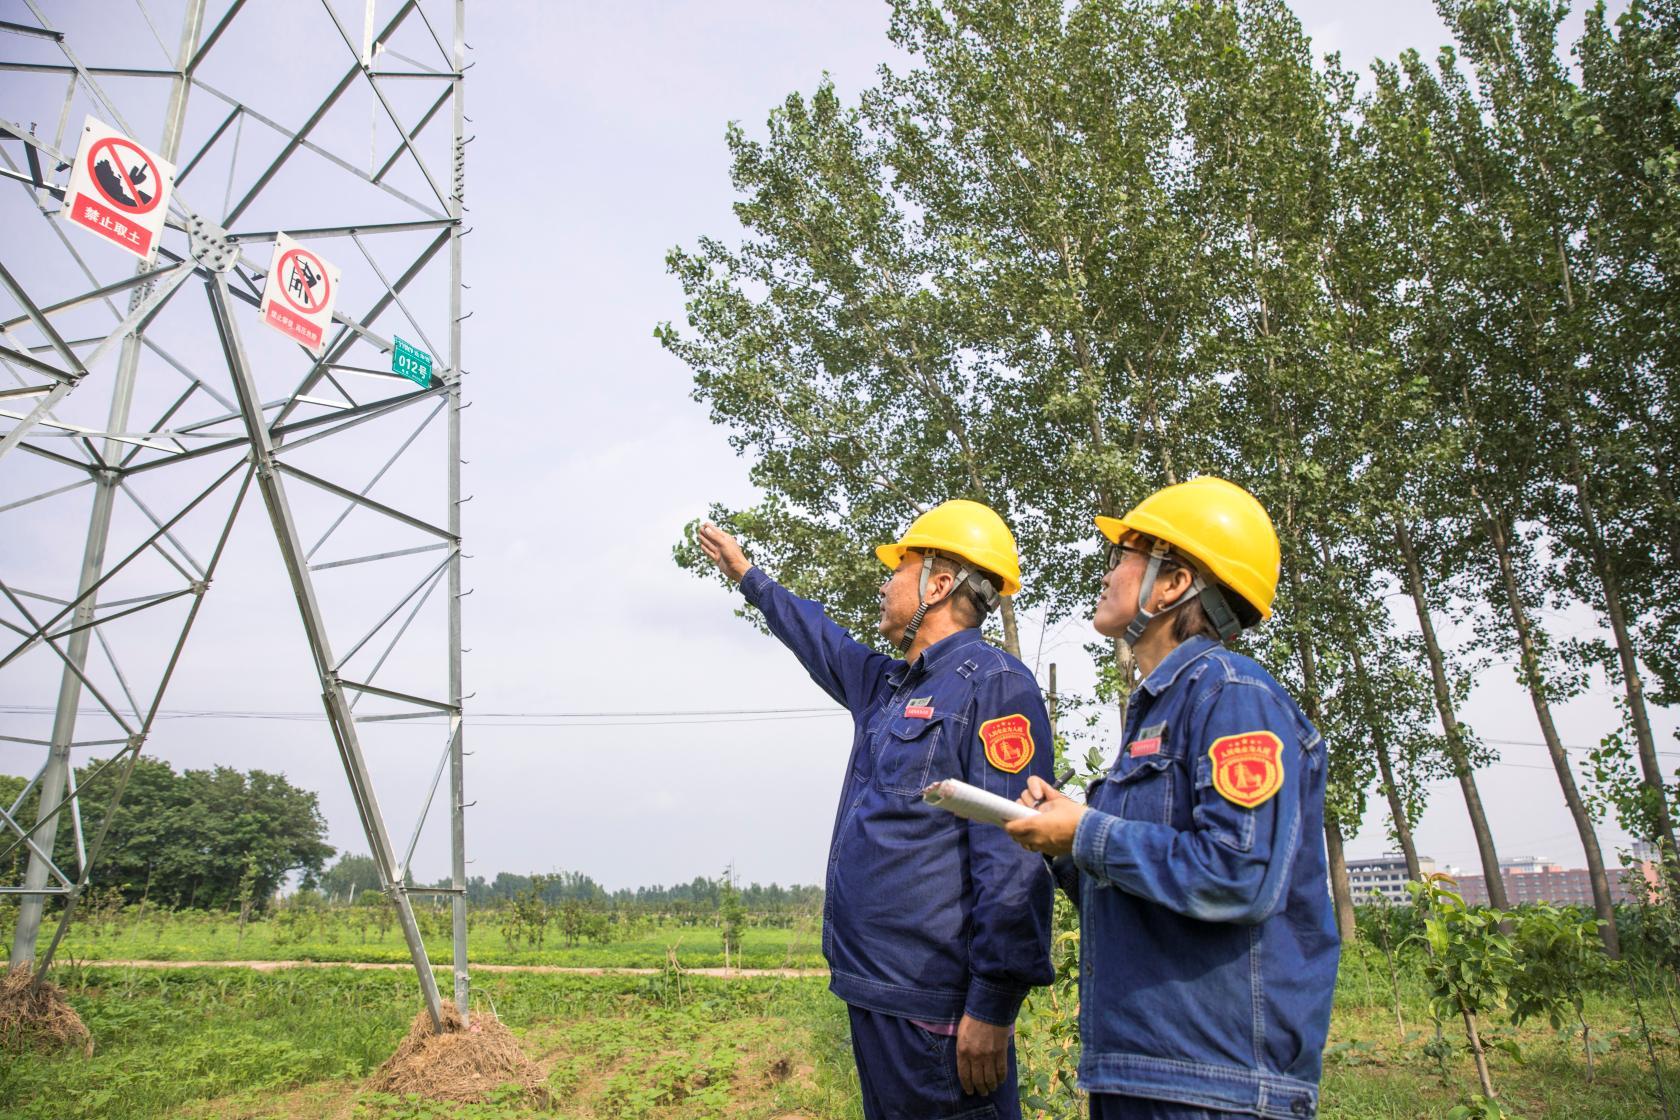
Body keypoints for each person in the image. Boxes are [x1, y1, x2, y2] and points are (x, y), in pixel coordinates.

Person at [698, 500, 1053, 1120]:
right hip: (878, 991)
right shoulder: (888, 686)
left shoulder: (995, 684)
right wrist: (749, 578)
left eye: (899, 567)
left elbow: (1014, 852)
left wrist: (992, 1002)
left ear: (938, 584)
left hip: (935, 1005)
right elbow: (822, 640)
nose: (885, 582)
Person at [1003, 476, 1339, 1120]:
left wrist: (1086, 834)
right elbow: (1151, 887)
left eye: (1123, 557)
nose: (1106, 575)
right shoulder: (1159, 710)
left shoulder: (1233, 695)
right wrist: (1056, 842)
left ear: (1174, 583)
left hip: (1214, 1088)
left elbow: (1239, 875)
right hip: (1147, 1072)